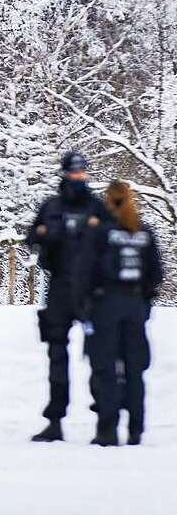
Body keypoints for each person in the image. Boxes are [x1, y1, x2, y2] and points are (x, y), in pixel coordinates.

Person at [24, 151, 112, 442]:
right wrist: (46, 236)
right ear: (64, 174)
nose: (78, 177)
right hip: (60, 287)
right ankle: (55, 421)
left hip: (91, 291)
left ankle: (104, 422)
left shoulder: (97, 208)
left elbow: (111, 245)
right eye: (73, 173)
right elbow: (32, 239)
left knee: (100, 357)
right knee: (56, 355)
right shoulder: (51, 206)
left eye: (82, 173)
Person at [79, 181, 162, 447]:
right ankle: (136, 429)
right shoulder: (145, 232)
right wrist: (144, 302)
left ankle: (108, 429)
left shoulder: (101, 232)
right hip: (135, 305)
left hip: (106, 304)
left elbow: (86, 271)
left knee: (105, 368)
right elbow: (156, 274)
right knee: (134, 369)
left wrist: (84, 304)